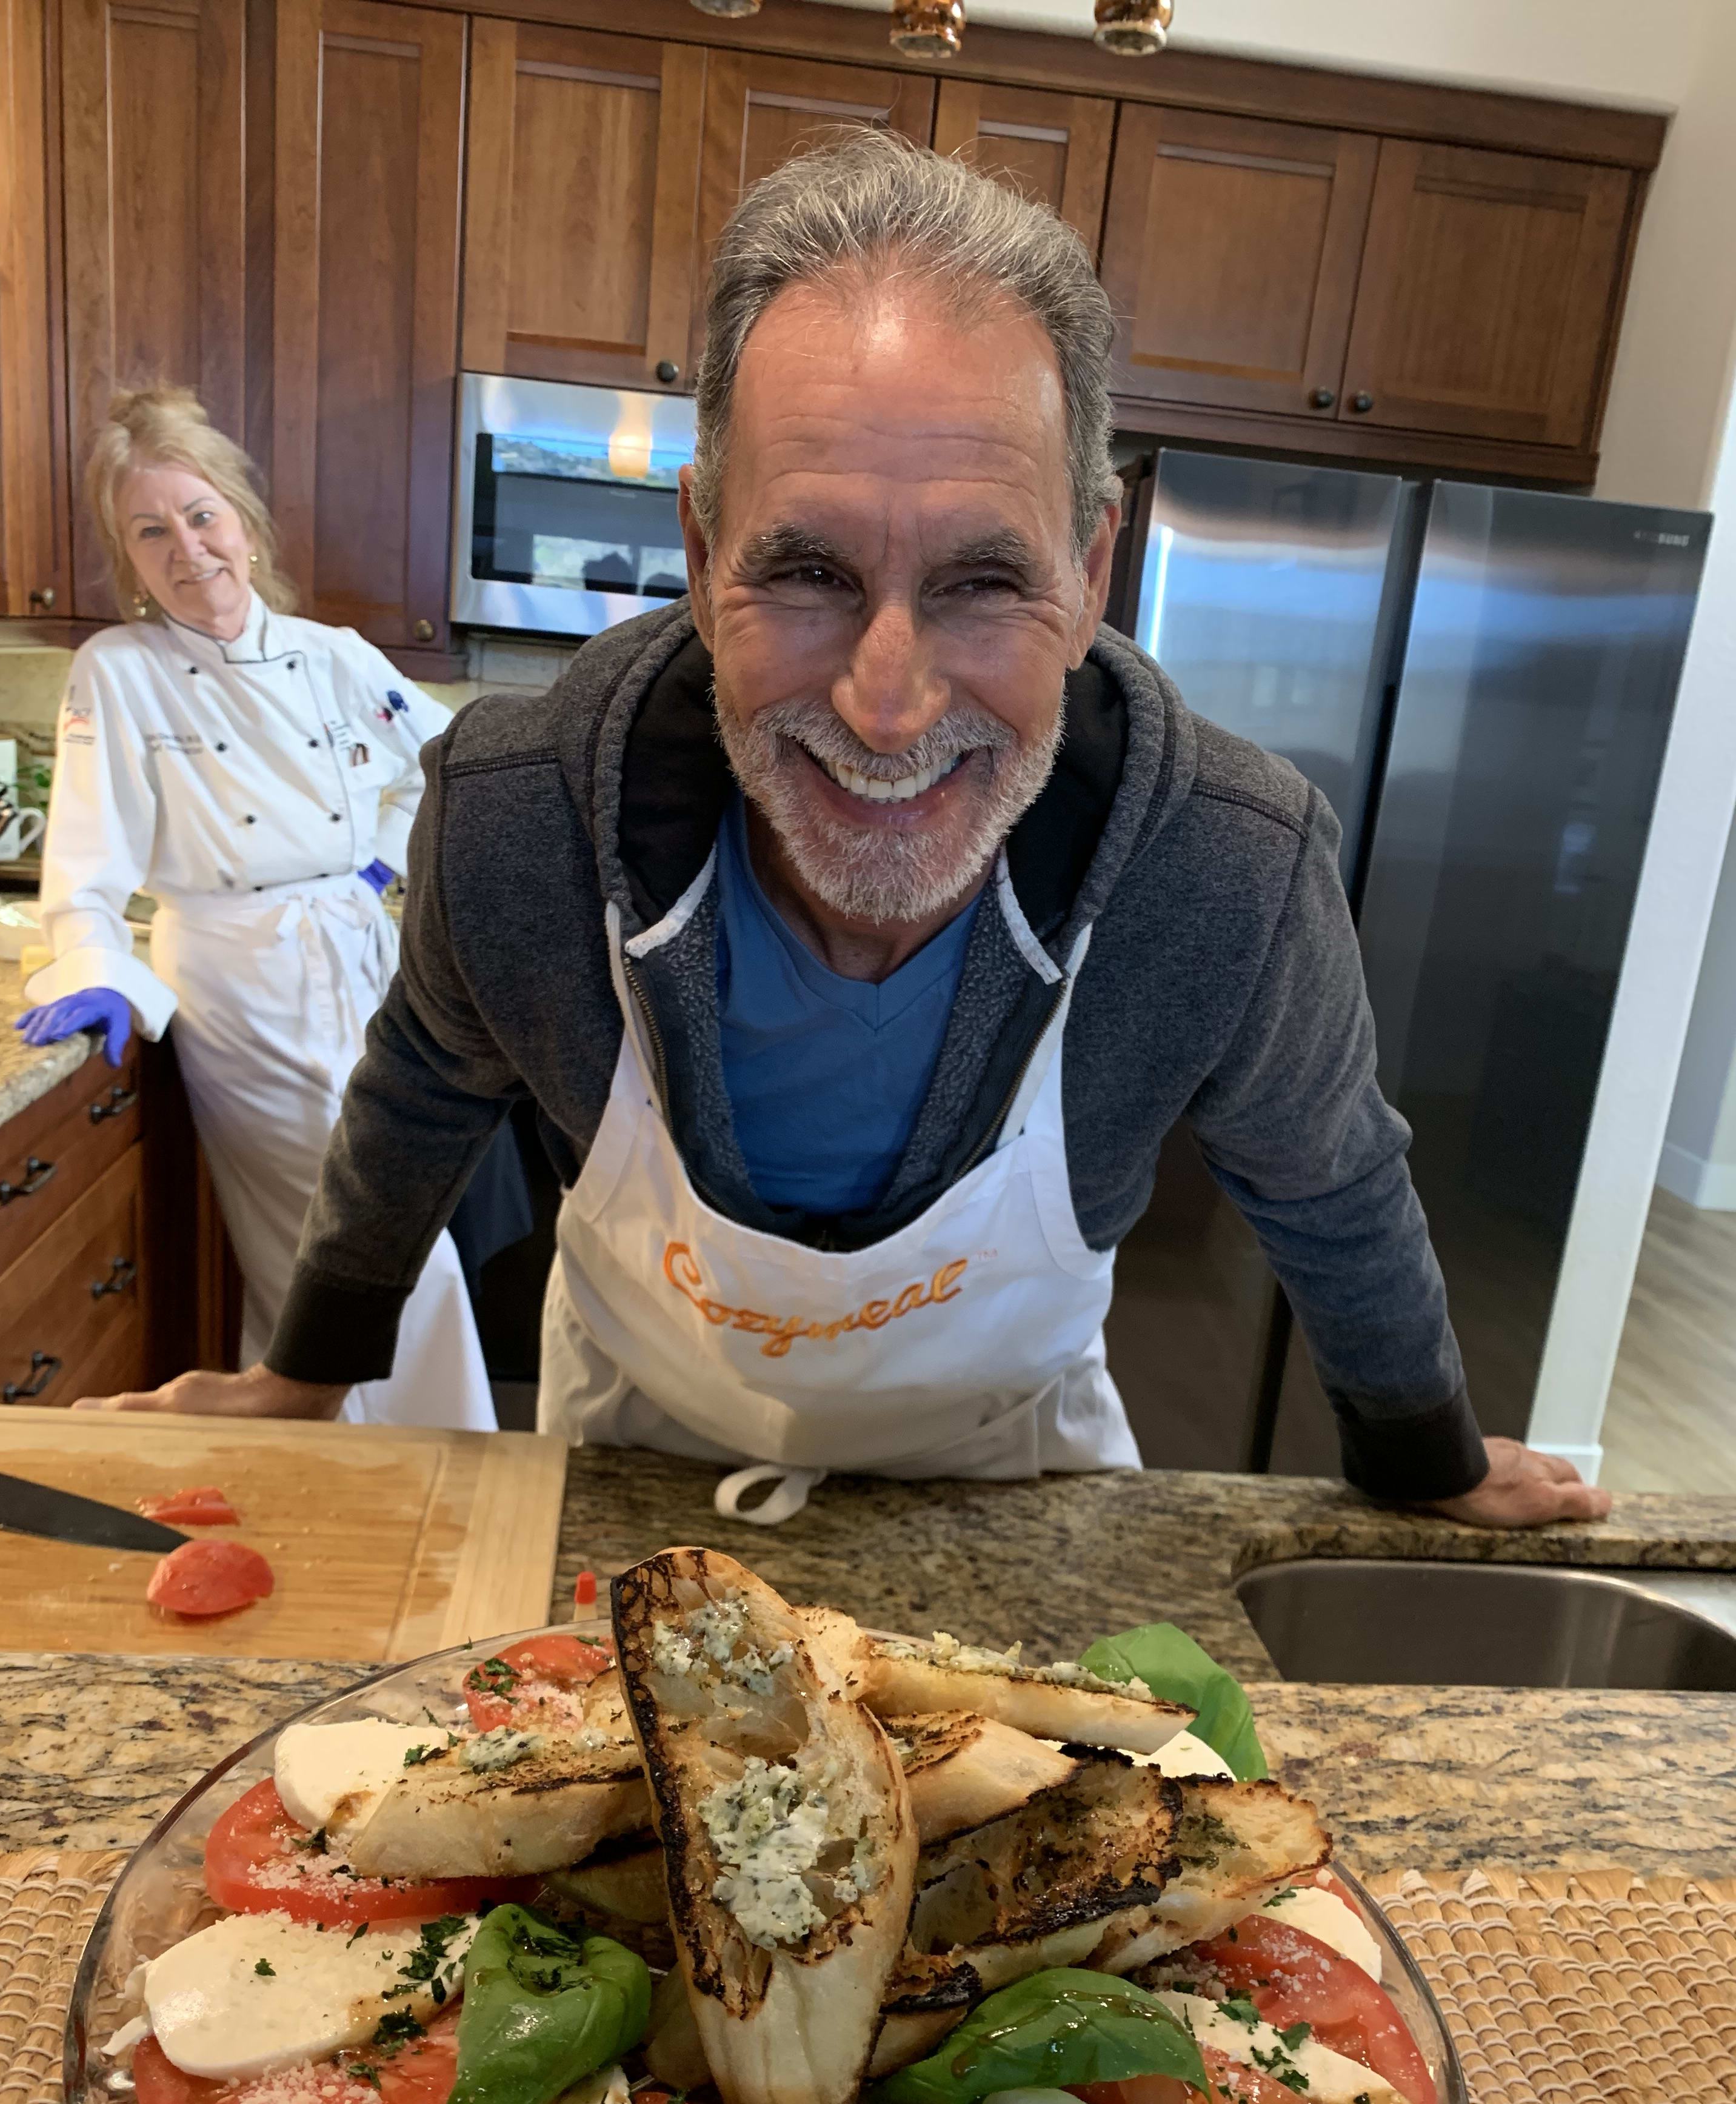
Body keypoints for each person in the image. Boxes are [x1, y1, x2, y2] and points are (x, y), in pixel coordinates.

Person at [88, 141, 1607, 1531]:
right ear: (699, 554)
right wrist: (306, 1378)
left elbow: (1327, 1171)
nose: (889, 707)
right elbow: (425, 1079)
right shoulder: (518, 813)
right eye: (807, 571)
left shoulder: (1225, 870)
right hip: (638, 1467)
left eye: (984, 582)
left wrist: (1431, 1455)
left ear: (1088, 575)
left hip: (1015, 1482)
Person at [19, 386, 496, 1431]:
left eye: (199, 516)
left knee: (395, 1228)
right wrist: (91, 964)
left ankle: (424, 1472)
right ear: (129, 559)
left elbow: (447, 768)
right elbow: (88, 859)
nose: (186, 551)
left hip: (362, 964)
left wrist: (375, 872)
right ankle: (361, 1478)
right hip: (237, 986)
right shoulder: (119, 673)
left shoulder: (334, 656)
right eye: (150, 532)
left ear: (241, 518)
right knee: (331, 1244)